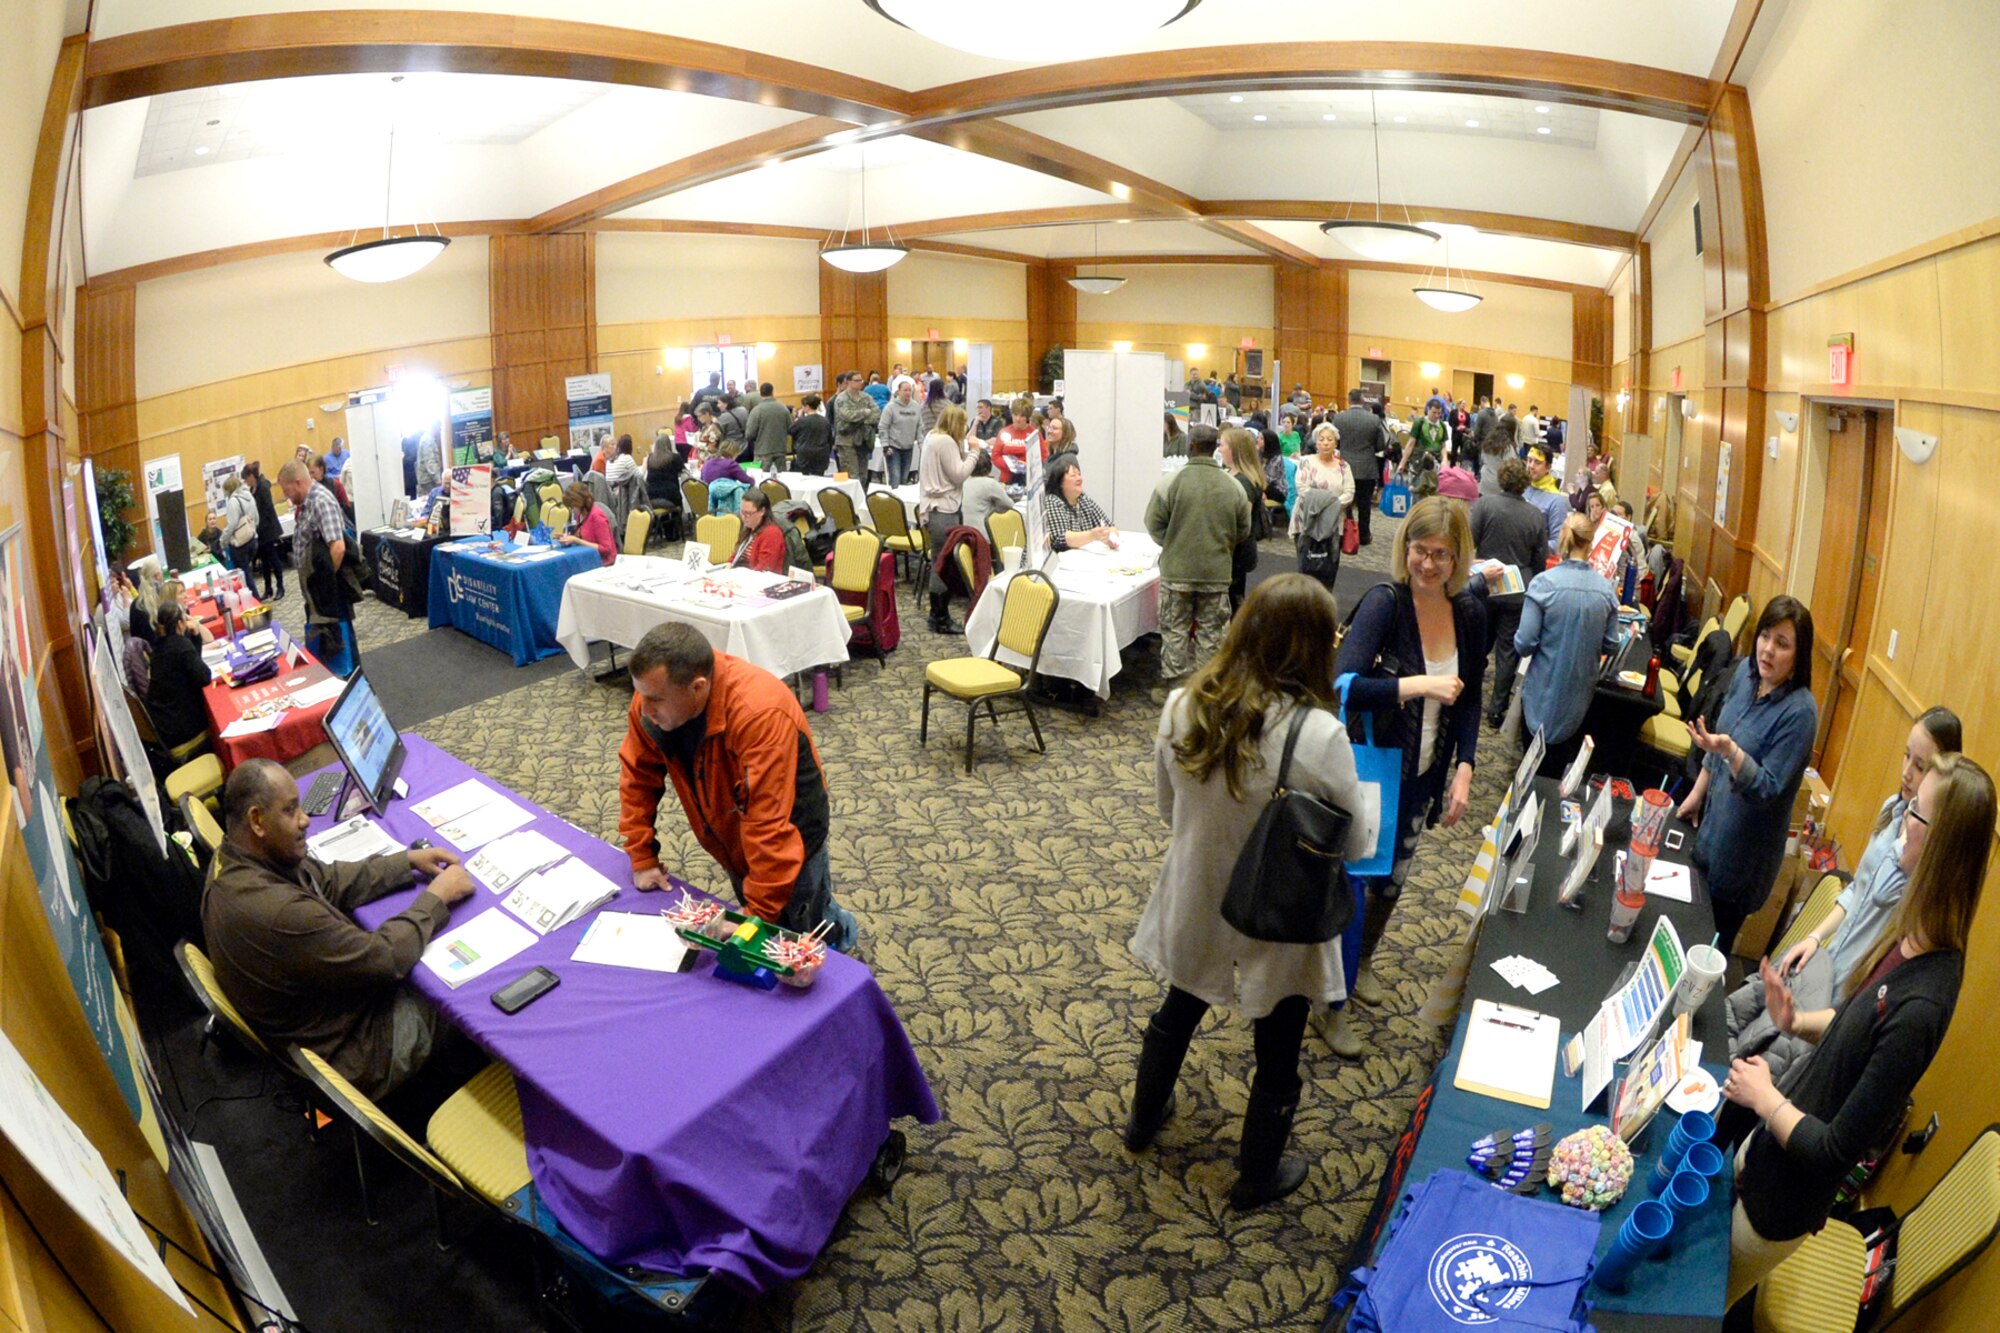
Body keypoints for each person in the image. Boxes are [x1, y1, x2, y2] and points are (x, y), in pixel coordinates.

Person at [1126, 574, 1376, 1207]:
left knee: (1178, 1008)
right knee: (1279, 1044)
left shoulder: (1184, 703)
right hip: (1278, 906)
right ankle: (1256, 1175)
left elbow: (1165, 809)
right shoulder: (1318, 734)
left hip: (1196, 891)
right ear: (1315, 646)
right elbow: (1356, 845)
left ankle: (1142, 1119)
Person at [1720, 753, 1993, 1309]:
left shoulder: (1925, 1003)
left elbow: (1835, 1150)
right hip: (1767, 1153)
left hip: (1780, 1202)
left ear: (1937, 844)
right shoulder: (1909, 930)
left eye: (1913, 814)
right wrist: (1795, 1021)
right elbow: (1850, 1030)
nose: (1900, 822)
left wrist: (1766, 1098)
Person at [202, 759, 477, 1099]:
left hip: (324, 1024)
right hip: (361, 1052)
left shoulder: (234, 858)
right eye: (290, 811)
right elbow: (386, 958)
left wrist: (405, 863)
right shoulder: (279, 912)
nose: (305, 820)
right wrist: (437, 897)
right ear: (257, 820)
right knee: (467, 987)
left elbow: (325, 879)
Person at [1728, 706, 1962, 1080]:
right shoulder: (1892, 810)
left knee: (1769, 1072)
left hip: (1846, 991)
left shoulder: (1926, 857)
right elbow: (1857, 890)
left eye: (1920, 766)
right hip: (1825, 962)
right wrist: (1815, 937)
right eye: (1906, 756)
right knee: (1742, 1031)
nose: (1906, 772)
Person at [1330, 496, 1485, 1052]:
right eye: (1420, 551)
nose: (1428, 564)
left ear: (1457, 558)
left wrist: (1465, 766)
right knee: (1351, 887)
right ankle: (1332, 1003)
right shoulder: (1384, 604)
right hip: (1372, 772)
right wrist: (1418, 685)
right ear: (1406, 548)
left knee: (1393, 883)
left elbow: (1469, 699)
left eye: (1441, 555)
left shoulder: (1467, 612)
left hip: (1424, 774)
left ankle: (1363, 961)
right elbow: (1343, 687)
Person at [618, 623, 858, 950]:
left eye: (655, 700)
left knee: (804, 930)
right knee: (766, 921)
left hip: (793, 835)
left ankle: (838, 936)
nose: (643, 709)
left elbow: (768, 824)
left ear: (698, 687)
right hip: (731, 834)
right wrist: (642, 857)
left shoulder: (759, 712)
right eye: (640, 694)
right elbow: (637, 778)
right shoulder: (654, 699)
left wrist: (753, 918)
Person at [1680, 596, 1821, 953]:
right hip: (1710, 829)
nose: (1769, 650)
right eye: (1765, 637)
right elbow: (1716, 742)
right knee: (1683, 930)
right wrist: (1698, 793)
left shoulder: (1801, 713)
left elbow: (1768, 788)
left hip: (1741, 858)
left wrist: (1732, 752)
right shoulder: (1745, 673)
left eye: (1782, 644)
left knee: (1709, 950)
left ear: (1799, 655)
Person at [1146, 427, 1251, 696]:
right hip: (1216, 574)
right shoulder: (1233, 486)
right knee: (1212, 633)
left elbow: (1153, 524)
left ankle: (1173, 686)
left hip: (1176, 571)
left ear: (1190, 446)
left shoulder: (1171, 481)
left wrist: (1172, 543)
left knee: (1175, 629)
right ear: (1214, 447)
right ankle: (1207, 687)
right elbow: (1243, 530)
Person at [1514, 514, 1620, 775]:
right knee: (1558, 770)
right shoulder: (1606, 591)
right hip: (1579, 699)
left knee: (1529, 768)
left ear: (1562, 538)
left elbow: (1524, 643)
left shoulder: (1543, 584)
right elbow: (1612, 646)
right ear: (1590, 542)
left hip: (1541, 692)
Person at [1469, 458, 1550, 727]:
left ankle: (1468, 696)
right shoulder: (1535, 515)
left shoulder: (1484, 505)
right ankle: (1496, 710)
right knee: (1507, 652)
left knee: (1478, 643)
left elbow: (1470, 541)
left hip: (1485, 585)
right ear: (1525, 484)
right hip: (1517, 591)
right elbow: (1539, 561)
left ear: (1501, 479)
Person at [280, 458, 358, 673]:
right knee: (327, 643)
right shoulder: (307, 503)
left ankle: (352, 688)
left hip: (330, 591)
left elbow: (338, 547)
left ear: (297, 482)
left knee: (341, 642)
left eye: (287, 491)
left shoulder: (321, 500)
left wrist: (325, 584)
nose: (287, 497)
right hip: (318, 590)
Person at [916, 403, 982, 634]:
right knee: (942, 564)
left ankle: (938, 615)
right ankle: (939, 617)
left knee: (939, 561)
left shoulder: (933, 438)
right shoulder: (944, 442)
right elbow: (958, 475)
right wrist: (974, 452)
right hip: (943, 510)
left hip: (934, 509)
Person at [1289, 421, 1354, 593]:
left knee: (1329, 569)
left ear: (1336, 443)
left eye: (1330, 439)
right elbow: (1302, 489)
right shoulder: (1306, 462)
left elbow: (1349, 492)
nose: (1325, 443)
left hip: (1334, 525)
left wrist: (1329, 508)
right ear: (1316, 442)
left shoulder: (1344, 467)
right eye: (1322, 439)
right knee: (1306, 568)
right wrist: (1330, 504)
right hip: (1306, 522)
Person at [144, 602, 212, 748]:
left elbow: (194, 668)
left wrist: (195, 638)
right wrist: (195, 637)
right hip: (181, 727)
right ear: (181, 624)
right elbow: (205, 677)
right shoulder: (181, 645)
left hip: (165, 723)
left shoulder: (159, 645)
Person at [1218, 425, 1271, 609]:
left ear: (1234, 449)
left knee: (1233, 600)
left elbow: (1242, 522)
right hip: (1234, 549)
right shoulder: (1234, 475)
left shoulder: (1244, 482)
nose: (1219, 449)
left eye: (1222, 445)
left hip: (1236, 551)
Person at [1332, 389, 1388, 545]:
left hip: (1344, 467)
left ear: (1349, 400)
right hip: (1367, 468)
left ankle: (1347, 533)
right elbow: (1381, 445)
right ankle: (1364, 535)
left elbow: (1335, 442)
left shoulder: (1338, 418)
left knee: (1345, 503)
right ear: (1362, 401)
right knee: (1364, 505)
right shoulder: (1374, 420)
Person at [1040, 455, 1116, 555]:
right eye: (1073, 475)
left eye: (1079, 474)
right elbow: (1061, 538)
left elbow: (1112, 527)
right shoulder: (1052, 501)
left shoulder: (1084, 500)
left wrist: (1109, 536)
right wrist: (1092, 535)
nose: (1079, 478)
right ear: (1060, 482)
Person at [244, 460, 285, 601]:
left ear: (251, 476)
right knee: (264, 562)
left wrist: (259, 526)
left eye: (246, 479)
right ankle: (268, 588)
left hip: (268, 529)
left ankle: (280, 586)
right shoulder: (252, 490)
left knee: (274, 559)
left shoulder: (263, 486)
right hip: (259, 531)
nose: (246, 482)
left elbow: (267, 509)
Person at [958, 451, 1016, 548]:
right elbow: (1009, 505)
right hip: (983, 538)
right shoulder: (990, 484)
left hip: (963, 537)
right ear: (989, 466)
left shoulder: (962, 483)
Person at [556, 482, 618, 566]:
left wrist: (576, 540)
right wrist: (567, 537)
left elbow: (606, 549)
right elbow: (583, 536)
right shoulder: (580, 515)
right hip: (587, 557)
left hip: (603, 562)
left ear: (579, 503)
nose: (572, 510)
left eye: (572, 506)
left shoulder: (597, 516)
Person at [730, 488, 788, 574]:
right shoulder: (749, 528)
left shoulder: (772, 534)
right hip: (742, 575)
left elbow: (764, 569)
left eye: (748, 513)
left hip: (760, 580)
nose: (744, 516)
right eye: (742, 512)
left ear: (762, 511)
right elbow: (737, 555)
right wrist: (728, 564)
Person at [831, 372, 878, 480]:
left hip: (863, 440)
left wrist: (861, 420)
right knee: (851, 475)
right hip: (846, 441)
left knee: (863, 475)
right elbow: (848, 416)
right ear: (848, 382)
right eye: (856, 380)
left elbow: (876, 415)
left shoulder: (866, 397)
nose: (860, 383)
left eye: (861, 380)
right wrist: (865, 412)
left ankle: (862, 496)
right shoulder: (841, 398)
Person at [1522, 444, 1570, 547]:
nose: (1531, 466)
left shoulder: (1557, 501)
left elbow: (1558, 543)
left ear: (1548, 467)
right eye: (1529, 460)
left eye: (1537, 462)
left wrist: (1528, 547)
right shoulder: (1522, 488)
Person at [993, 395, 1041, 485]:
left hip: (1029, 480)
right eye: (1015, 415)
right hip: (1006, 479)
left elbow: (1043, 456)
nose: (1018, 419)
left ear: (1027, 417)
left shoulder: (1035, 434)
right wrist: (1012, 467)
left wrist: (1026, 466)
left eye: (1022, 416)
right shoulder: (1004, 432)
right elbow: (995, 456)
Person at [745, 382, 789, 471]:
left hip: (762, 451)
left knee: (762, 479)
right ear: (772, 392)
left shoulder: (756, 410)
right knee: (782, 479)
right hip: (780, 449)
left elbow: (749, 434)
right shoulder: (783, 408)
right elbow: (790, 427)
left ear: (760, 393)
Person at [222, 474, 259, 574]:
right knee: (247, 572)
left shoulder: (233, 501)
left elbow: (231, 525)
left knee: (244, 576)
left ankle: (252, 591)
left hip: (241, 543)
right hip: (252, 538)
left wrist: (223, 541)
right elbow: (256, 518)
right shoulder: (249, 496)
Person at [1478, 412, 1519, 497]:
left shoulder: (1488, 441)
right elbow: (1511, 468)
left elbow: (1482, 458)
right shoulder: (1507, 447)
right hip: (1498, 486)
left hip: (1484, 482)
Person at [308, 454, 354, 529]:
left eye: (313, 472)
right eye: (308, 473)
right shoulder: (307, 488)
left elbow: (347, 510)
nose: (310, 476)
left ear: (321, 469)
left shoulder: (336, 485)